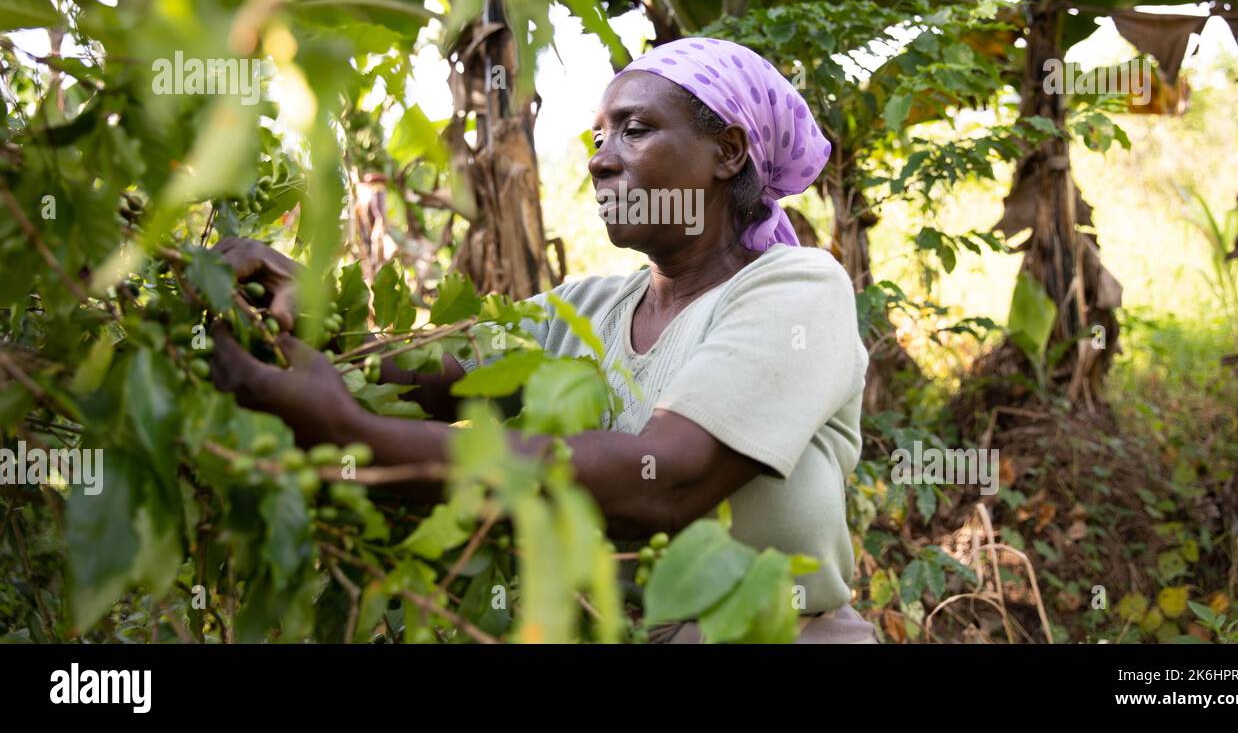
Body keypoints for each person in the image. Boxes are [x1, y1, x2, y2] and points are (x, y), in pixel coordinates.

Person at [210, 37, 876, 644]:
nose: (600, 159)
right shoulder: (584, 308)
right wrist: (300, 311)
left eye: (635, 130)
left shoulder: (799, 291)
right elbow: (426, 373)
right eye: (597, 137)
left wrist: (356, 436)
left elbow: (664, 482)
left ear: (728, 152)